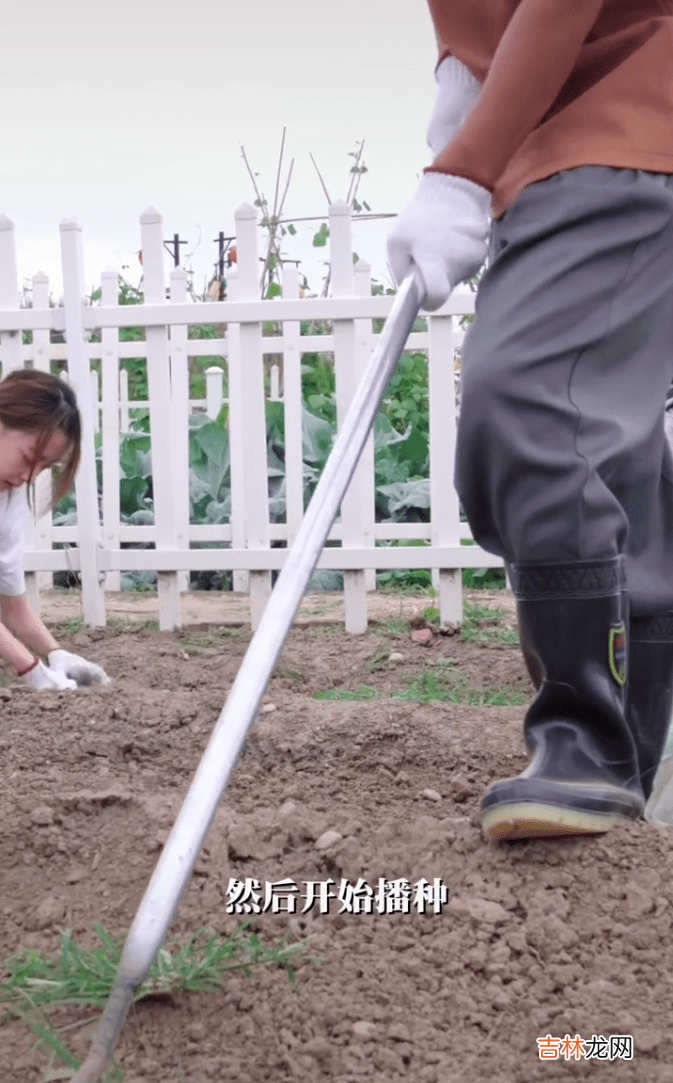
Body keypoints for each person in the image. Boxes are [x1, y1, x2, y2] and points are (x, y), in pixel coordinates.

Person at [387, 0, 673, 841]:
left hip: (624, 123)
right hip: (568, 145)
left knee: (526, 401)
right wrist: (463, 100)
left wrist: (463, 167)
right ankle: (631, 760)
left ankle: (586, 742)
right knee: (617, 456)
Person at [0, 367, 109, 690]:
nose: (30, 476)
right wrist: (30, 668)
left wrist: (56, 653)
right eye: (29, 457)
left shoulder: (9, 499)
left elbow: (12, 606)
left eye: (45, 466)